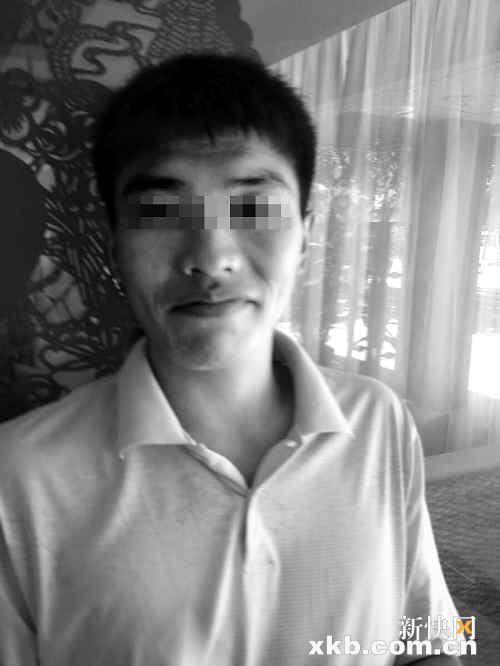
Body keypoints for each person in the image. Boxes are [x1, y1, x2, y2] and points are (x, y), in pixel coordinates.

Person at [0, 52, 465, 665]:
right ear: (115, 246)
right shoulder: (20, 478)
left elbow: (424, 642)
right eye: (159, 212)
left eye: (253, 208)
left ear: (306, 234)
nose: (210, 257)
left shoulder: (378, 420)